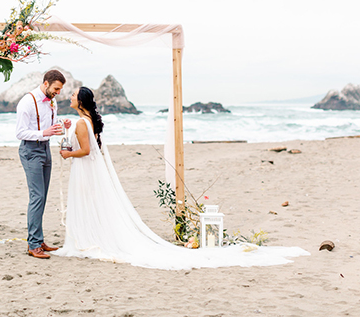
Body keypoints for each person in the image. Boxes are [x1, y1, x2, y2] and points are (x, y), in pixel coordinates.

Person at [55, 87, 309, 270]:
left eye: (74, 95)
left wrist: (67, 155)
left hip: (84, 169)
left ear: (82, 101)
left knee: (86, 202)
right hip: (90, 170)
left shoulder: (81, 123)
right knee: (92, 203)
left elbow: (87, 151)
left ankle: (87, 240)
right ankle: (91, 238)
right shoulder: (87, 121)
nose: (70, 96)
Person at [16, 69, 71, 259]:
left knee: (43, 196)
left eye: (60, 90)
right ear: (46, 83)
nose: (58, 93)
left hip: (45, 149)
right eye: (56, 88)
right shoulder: (27, 102)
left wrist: (62, 124)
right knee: (37, 197)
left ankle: (38, 240)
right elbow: (20, 132)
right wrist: (43, 133)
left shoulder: (52, 101)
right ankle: (33, 245)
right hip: (31, 150)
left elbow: (51, 123)